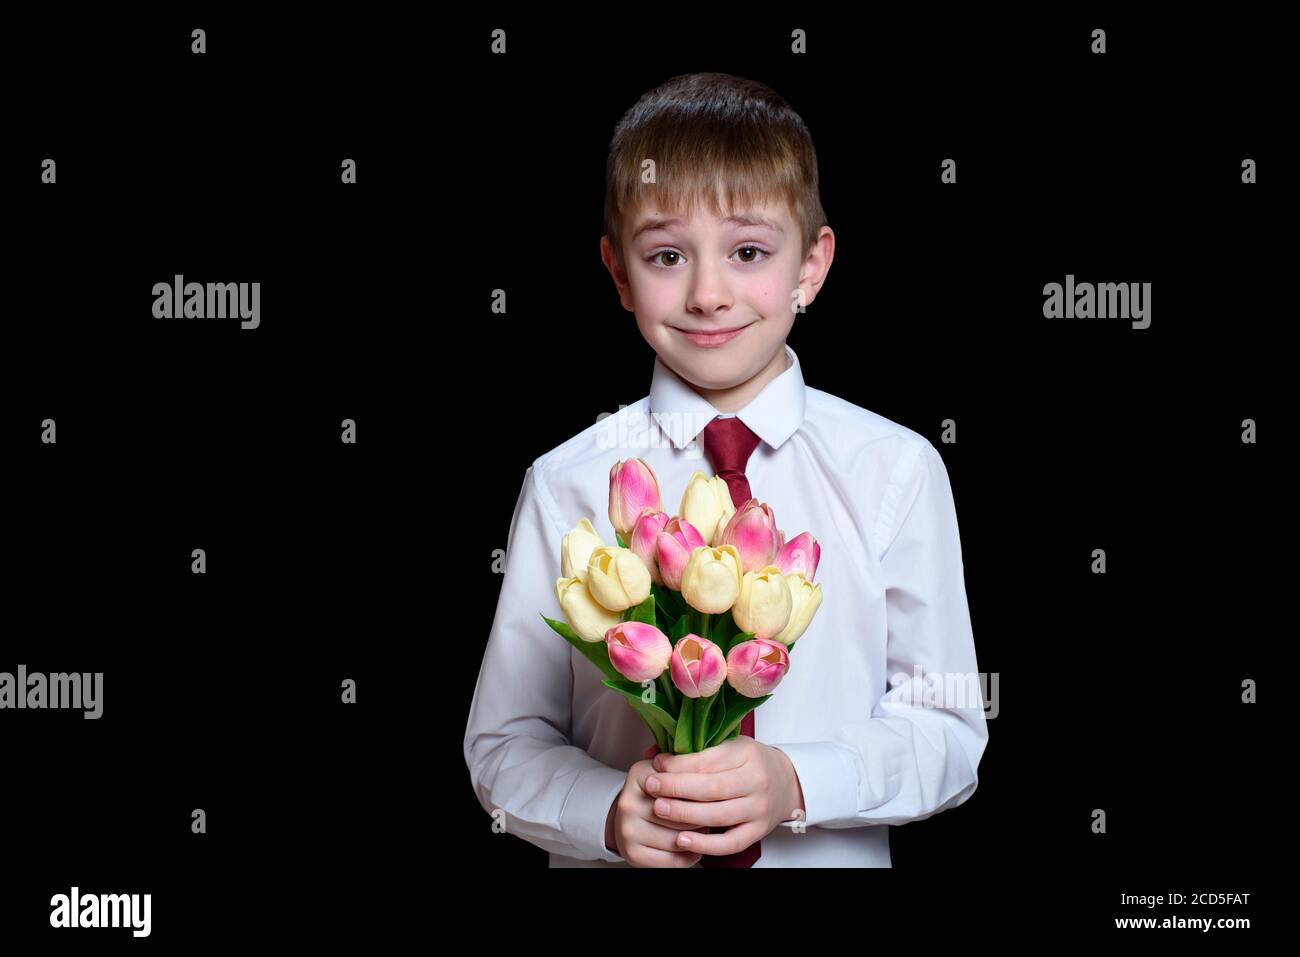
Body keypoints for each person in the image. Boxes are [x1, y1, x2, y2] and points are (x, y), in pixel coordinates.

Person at [464, 71, 988, 867]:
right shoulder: (567, 481)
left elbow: (948, 727)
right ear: (617, 273)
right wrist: (606, 810)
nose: (709, 294)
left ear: (810, 267)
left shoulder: (896, 470)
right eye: (668, 255)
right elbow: (504, 741)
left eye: (748, 251)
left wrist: (796, 781)